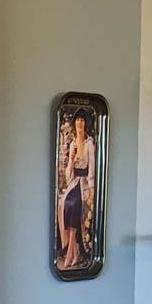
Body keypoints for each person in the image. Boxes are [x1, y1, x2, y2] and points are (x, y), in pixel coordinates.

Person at [57, 109, 96, 271]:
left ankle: (71, 254)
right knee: (64, 203)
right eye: (77, 120)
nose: (79, 123)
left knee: (75, 204)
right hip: (74, 182)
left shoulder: (89, 144)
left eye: (82, 120)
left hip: (84, 183)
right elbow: (68, 173)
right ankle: (72, 251)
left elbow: (92, 167)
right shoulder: (73, 144)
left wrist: (91, 188)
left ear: (85, 123)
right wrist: (72, 159)